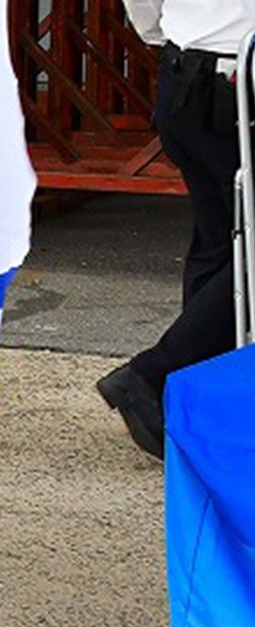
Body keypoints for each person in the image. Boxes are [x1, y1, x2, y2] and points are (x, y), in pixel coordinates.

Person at [100, 0, 255, 457]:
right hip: (234, 79)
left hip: (185, 70)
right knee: (240, 247)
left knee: (220, 245)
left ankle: (194, 401)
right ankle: (155, 375)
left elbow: (143, 7)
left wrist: (169, 31)